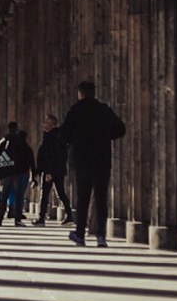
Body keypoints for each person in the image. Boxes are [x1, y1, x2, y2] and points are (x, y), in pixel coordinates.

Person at [59, 79, 126, 247]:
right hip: (102, 158)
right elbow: (120, 129)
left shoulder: (75, 110)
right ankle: (101, 236)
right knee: (101, 198)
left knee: (83, 197)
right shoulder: (103, 110)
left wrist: (77, 138)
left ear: (80, 94)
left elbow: (64, 135)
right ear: (94, 93)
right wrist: (104, 136)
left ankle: (80, 234)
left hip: (82, 160)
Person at [33, 113, 72, 226]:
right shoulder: (57, 136)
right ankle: (69, 215)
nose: (43, 124)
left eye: (46, 122)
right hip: (57, 170)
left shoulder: (51, 137)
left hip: (51, 170)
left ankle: (41, 218)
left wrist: (49, 171)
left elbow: (51, 155)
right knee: (60, 193)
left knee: (45, 194)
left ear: (51, 124)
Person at [0, 122, 35, 227]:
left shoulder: (2, 142)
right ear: (17, 129)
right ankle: (17, 219)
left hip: (5, 174)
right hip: (19, 173)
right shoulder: (21, 141)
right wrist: (31, 172)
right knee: (18, 197)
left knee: (4, 197)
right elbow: (29, 157)